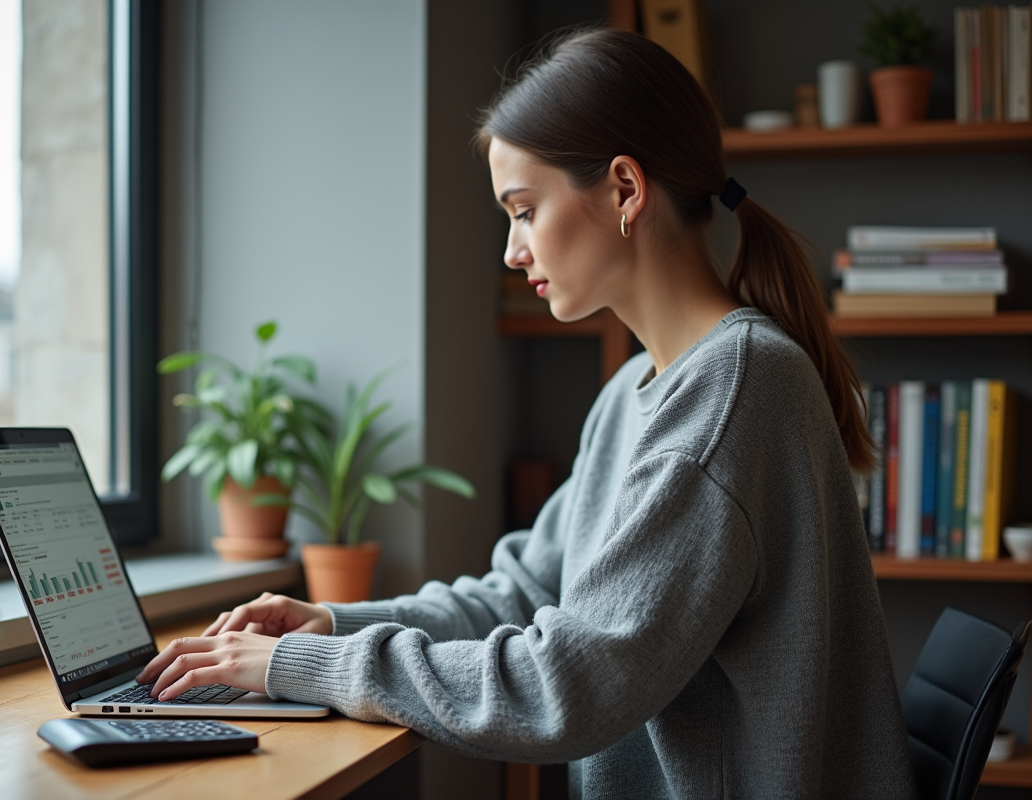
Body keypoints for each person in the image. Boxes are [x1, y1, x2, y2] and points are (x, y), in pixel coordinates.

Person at [137, 29, 918, 798]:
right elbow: (527, 595)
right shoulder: (639, 392)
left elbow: (567, 688)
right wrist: (331, 625)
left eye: (523, 210)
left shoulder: (733, 395)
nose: (512, 251)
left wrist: (302, 669)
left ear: (624, 190)